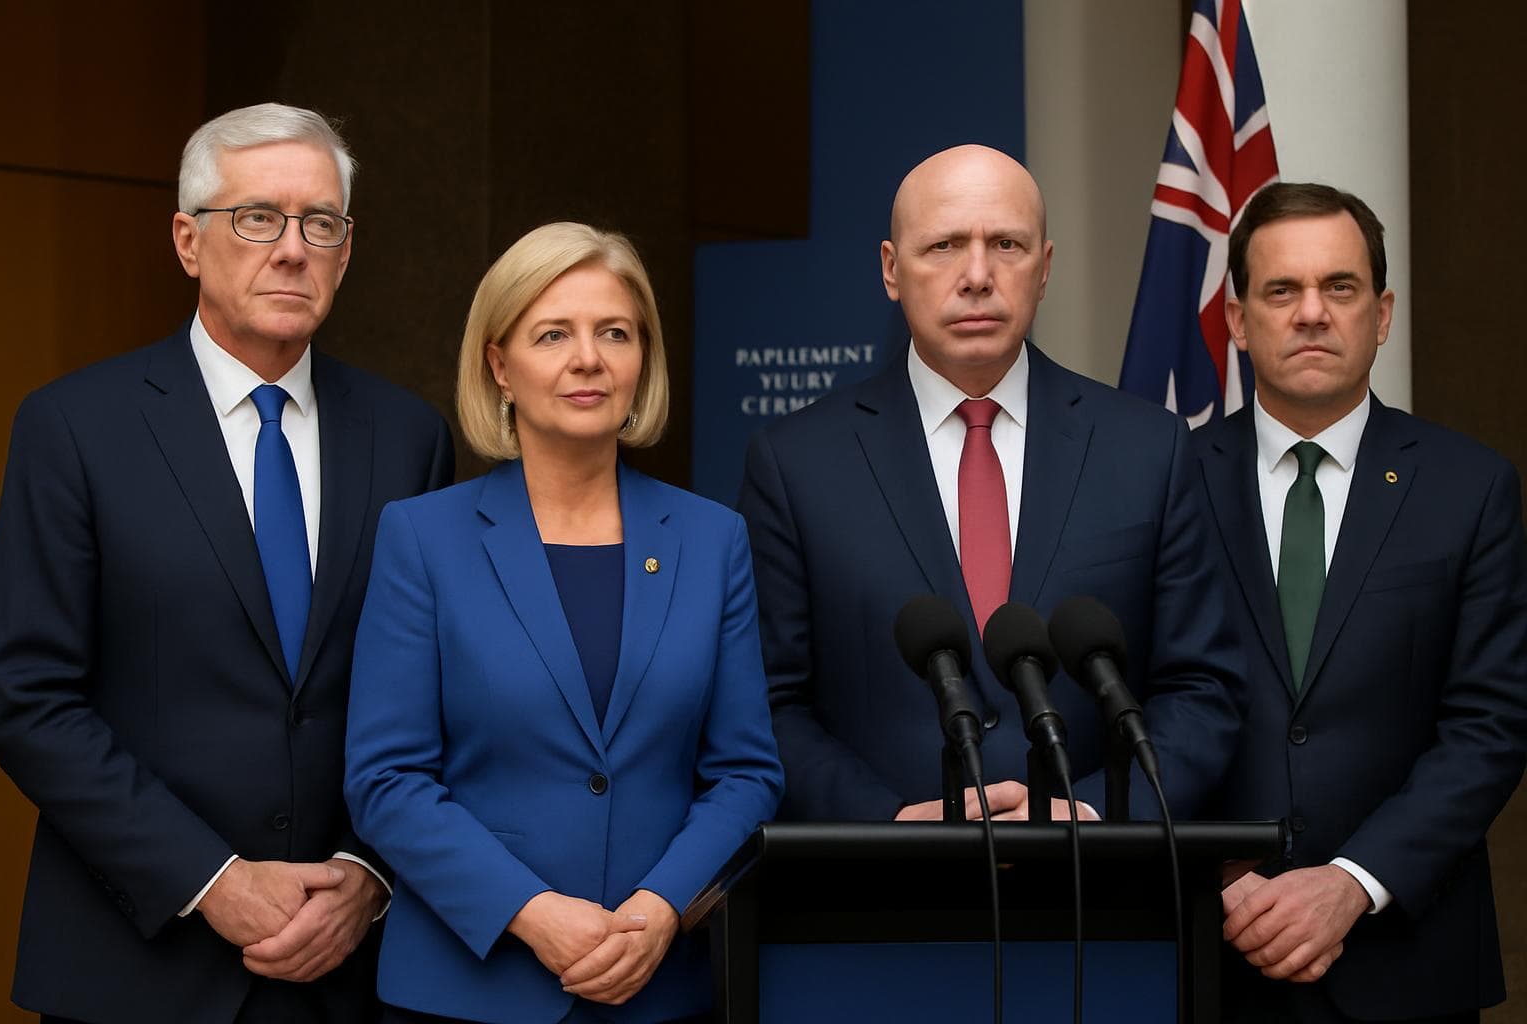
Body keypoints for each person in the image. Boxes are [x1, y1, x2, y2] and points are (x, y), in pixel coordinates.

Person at [0, 103, 454, 1023]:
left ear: (347, 251)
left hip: (349, 970)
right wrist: (211, 879)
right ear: (187, 241)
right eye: (257, 218)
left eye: (321, 223)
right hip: (136, 963)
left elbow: (437, 693)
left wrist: (369, 871)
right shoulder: (75, 428)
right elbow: (27, 696)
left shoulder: (409, 438)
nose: (292, 249)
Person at [343, 222, 784, 1024]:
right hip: (464, 993)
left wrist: (661, 908)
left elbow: (746, 775)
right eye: (554, 334)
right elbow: (387, 780)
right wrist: (534, 912)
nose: (589, 358)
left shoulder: (711, 538)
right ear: (500, 365)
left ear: (642, 358)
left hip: (660, 988)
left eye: (614, 332)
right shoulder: (423, 538)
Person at [737, 143, 1243, 823]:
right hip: (880, 905)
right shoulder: (795, 463)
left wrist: (1093, 814)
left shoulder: (1147, 449)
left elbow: (1201, 689)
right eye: (943, 246)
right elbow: (769, 704)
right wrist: (886, 826)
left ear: (1045, 268)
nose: (977, 275)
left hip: (1095, 899)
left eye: (1006, 244)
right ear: (891, 270)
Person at [1198, 182, 1527, 1023]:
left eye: (1339, 288)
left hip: (1405, 964)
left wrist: (1352, 883)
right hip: (1206, 955)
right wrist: (1220, 874)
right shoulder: (1162, 481)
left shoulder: (1470, 487)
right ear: (1238, 321)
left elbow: (1491, 724)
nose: (1312, 313)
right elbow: (1132, 700)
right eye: (1282, 290)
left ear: (1381, 314)